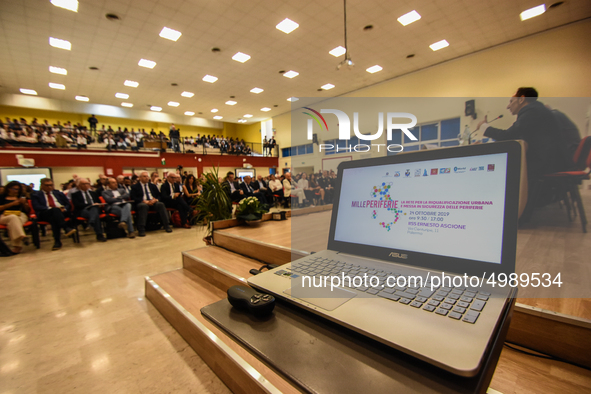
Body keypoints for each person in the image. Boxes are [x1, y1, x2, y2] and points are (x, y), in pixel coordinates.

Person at [475, 87, 566, 220]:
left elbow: (509, 136)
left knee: (505, 170)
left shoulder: (532, 111)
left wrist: (484, 127)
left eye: (511, 101)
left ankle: (509, 215)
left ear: (522, 99)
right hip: (551, 160)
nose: (508, 106)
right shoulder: (537, 110)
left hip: (544, 163)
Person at [31, 178, 76, 250]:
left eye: (51, 185)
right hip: (45, 213)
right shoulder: (36, 195)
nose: (49, 187)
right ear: (42, 185)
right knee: (55, 211)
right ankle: (65, 227)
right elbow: (36, 206)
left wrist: (64, 208)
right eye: (47, 185)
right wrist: (51, 208)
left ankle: (57, 242)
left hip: (61, 213)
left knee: (54, 218)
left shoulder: (58, 193)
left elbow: (68, 204)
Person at [130, 171, 172, 236]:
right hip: (142, 202)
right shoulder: (135, 187)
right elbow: (133, 197)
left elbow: (159, 195)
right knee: (143, 206)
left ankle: (167, 225)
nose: (146, 178)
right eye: (144, 176)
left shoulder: (152, 186)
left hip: (153, 202)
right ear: (140, 178)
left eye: (147, 176)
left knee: (160, 204)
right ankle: (141, 229)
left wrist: (156, 200)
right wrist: (143, 201)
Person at [71, 178, 106, 242]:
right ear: (79, 185)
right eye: (83, 184)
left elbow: (98, 202)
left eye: (87, 184)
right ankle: (99, 235)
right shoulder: (75, 194)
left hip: (95, 209)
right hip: (83, 210)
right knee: (95, 215)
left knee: (94, 209)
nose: (86, 185)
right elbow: (77, 205)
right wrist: (90, 204)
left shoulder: (93, 193)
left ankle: (91, 222)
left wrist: (98, 204)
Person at [0, 181, 31, 253]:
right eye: (14, 189)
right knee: (13, 218)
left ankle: (18, 246)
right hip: (4, 215)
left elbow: (27, 210)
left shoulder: (21, 197)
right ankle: (22, 237)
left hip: (20, 215)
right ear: (8, 188)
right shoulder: (2, 197)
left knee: (13, 222)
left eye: (17, 189)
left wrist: (24, 204)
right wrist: (12, 204)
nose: (16, 191)